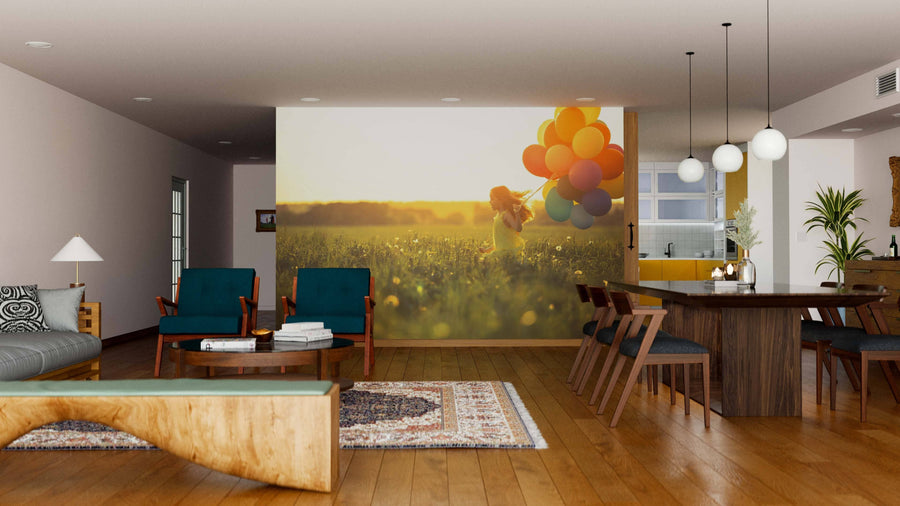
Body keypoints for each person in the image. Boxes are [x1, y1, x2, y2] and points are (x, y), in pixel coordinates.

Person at [480, 186, 534, 255]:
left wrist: (517, 213)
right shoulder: (497, 217)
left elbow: (518, 228)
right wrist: (486, 250)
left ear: (501, 200)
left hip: (507, 253)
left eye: (492, 199)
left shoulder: (506, 215)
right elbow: (500, 242)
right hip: (500, 252)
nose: (490, 202)